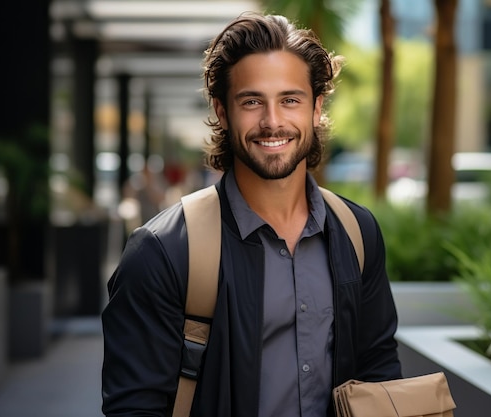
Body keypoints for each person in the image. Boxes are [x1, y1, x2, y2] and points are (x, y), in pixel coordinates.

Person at [101, 12, 402, 417]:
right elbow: (134, 408)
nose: (272, 121)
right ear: (222, 111)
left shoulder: (357, 231)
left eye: (290, 100)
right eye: (252, 101)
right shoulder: (164, 251)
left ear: (316, 107)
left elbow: (379, 371)